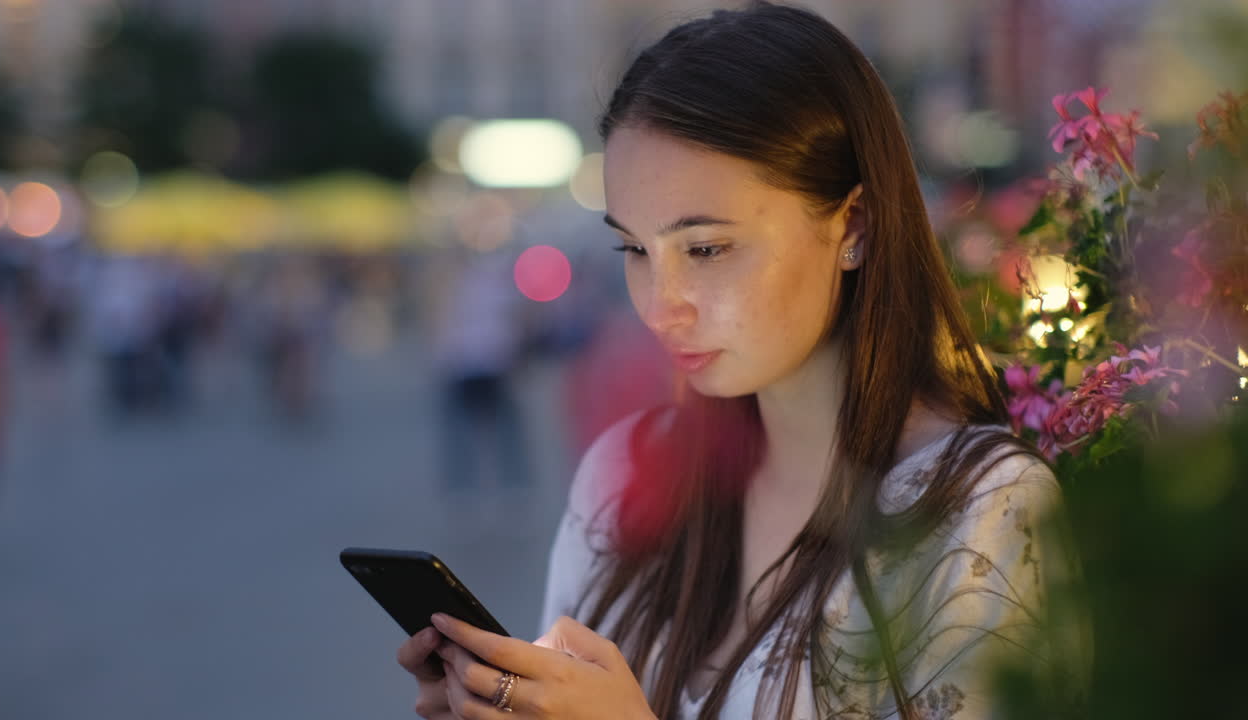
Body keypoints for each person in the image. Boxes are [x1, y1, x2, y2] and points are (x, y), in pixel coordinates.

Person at [398, 3, 1080, 718]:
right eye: (633, 249)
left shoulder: (980, 508)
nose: (663, 304)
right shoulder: (622, 477)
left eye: (706, 249)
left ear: (855, 224)